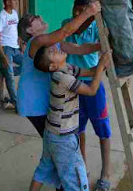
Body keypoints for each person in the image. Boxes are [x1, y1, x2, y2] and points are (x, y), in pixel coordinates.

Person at [29, 43, 110, 191]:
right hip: (63, 138)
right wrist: (100, 67)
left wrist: (102, 64)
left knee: (44, 169)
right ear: (53, 66)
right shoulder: (63, 78)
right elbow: (91, 90)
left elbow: (91, 72)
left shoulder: (67, 68)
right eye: (52, 52)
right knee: (76, 183)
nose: (55, 48)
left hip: (51, 133)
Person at [16, 3, 101, 137]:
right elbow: (65, 32)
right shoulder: (35, 42)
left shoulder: (51, 43)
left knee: (53, 141)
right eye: (33, 19)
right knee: (55, 140)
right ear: (29, 31)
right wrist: (89, 12)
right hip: (34, 101)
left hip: (43, 99)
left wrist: (100, 46)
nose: (39, 16)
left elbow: (79, 49)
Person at [61, 0, 111, 191]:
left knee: (102, 128)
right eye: (76, 11)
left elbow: (106, 49)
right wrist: (99, 45)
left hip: (93, 82)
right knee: (78, 128)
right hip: (73, 83)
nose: (78, 15)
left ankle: (105, 173)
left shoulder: (98, 27)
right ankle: (82, 168)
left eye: (83, 12)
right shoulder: (68, 24)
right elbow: (78, 46)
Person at [0, 0, 23, 110]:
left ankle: (5, 71)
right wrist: (3, 56)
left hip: (16, 48)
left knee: (28, 64)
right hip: (6, 49)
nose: (16, 2)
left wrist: (21, 45)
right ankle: (17, 104)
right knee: (10, 78)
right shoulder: (1, 16)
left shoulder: (15, 13)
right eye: (14, 0)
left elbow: (17, 31)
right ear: (7, 2)